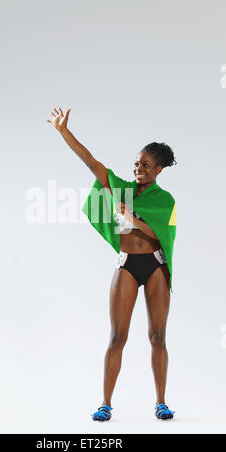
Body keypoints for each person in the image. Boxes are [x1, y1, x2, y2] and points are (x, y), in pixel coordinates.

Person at [46, 107, 177, 421]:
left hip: (156, 266)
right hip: (128, 264)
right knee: (117, 336)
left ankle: (161, 402)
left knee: (158, 336)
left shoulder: (166, 200)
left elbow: (159, 233)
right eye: (136, 163)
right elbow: (93, 163)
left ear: (159, 168)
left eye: (146, 164)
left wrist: (132, 218)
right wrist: (65, 133)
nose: (138, 168)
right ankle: (105, 403)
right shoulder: (123, 190)